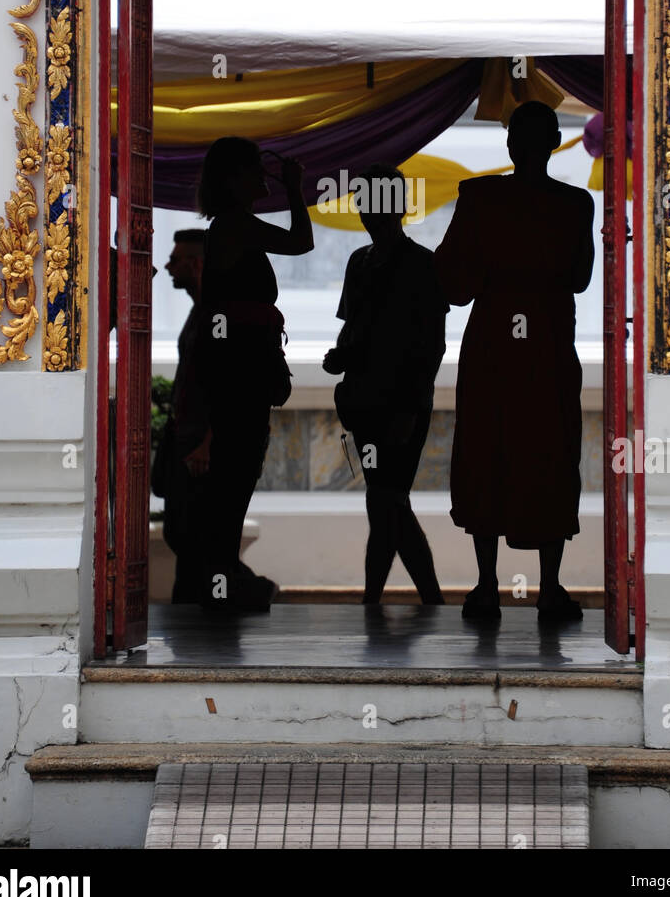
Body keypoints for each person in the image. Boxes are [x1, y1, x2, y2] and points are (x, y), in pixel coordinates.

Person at [434, 101, 595, 621]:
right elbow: (580, 279)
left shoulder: (479, 196)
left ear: (509, 146)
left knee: (488, 452)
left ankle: (485, 587)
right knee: (549, 454)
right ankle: (550, 589)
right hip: (547, 343)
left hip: (493, 346)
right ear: (553, 144)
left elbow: (454, 285)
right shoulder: (575, 204)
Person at [186, 137, 313, 612]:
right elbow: (302, 241)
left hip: (237, 368)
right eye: (256, 172)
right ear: (234, 179)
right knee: (235, 473)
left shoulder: (229, 227)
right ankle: (221, 575)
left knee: (236, 473)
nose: (264, 181)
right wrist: (296, 190)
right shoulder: (235, 226)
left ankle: (223, 573)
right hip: (239, 372)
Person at [323, 163, 448, 606]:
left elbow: (431, 347)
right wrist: (340, 358)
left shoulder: (421, 265)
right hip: (365, 402)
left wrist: (411, 409)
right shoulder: (363, 262)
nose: (363, 212)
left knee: (385, 499)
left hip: (398, 405)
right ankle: (406, 598)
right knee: (387, 500)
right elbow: (351, 329)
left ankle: (381, 597)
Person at [150, 229, 208, 604]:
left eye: (176, 259)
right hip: (184, 437)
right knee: (180, 532)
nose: (167, 266)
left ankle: (241, 589)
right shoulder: (198, 312)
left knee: (194, 537)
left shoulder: (217, 315)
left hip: (200, 445)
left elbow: (228, 384)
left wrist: (208, 441)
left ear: (197, 264)